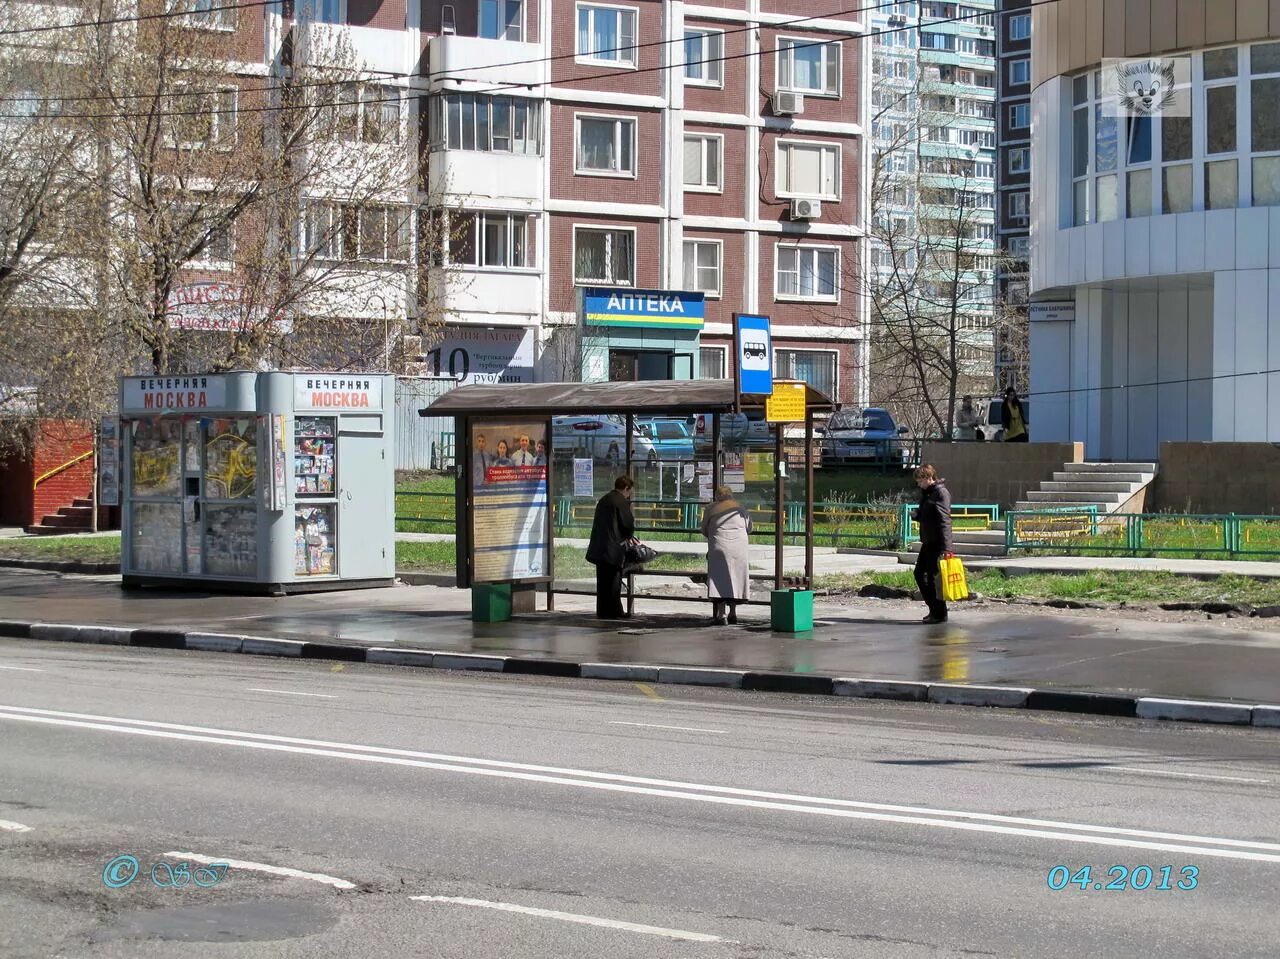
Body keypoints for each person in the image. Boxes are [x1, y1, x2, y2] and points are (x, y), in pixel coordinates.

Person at [700, 485, 752, 626]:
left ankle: (721, 614)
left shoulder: (711, 508)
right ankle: (733, 613)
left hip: (719, 547)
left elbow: (704, 529)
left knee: (719, 579)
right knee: (735, 579)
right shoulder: (741, 507)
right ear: (731, 495)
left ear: (717, 496)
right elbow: (749, 528)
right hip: (739, 549)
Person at [586, 475, 635, 619]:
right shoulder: (621, 502)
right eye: (629, 492)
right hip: (613, 549)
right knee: (614, 583)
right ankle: (615, 613)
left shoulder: (604, 500)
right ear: (626, 488)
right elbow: (627, 525)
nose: (628, 495)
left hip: (599, 548)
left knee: (602, 583)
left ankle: (603, 611)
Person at [912, 463, 953, 624]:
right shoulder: (927, 493)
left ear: (929, 478)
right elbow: (927, 514)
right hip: (928, 541)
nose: (918, 484)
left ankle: (939, 612)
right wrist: (917, 515)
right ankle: (934, 610)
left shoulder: (940, 493)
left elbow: (944, 520)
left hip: (937, 542)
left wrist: (947, 548)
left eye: (920, 480)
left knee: (930, 577)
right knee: (921, 574)